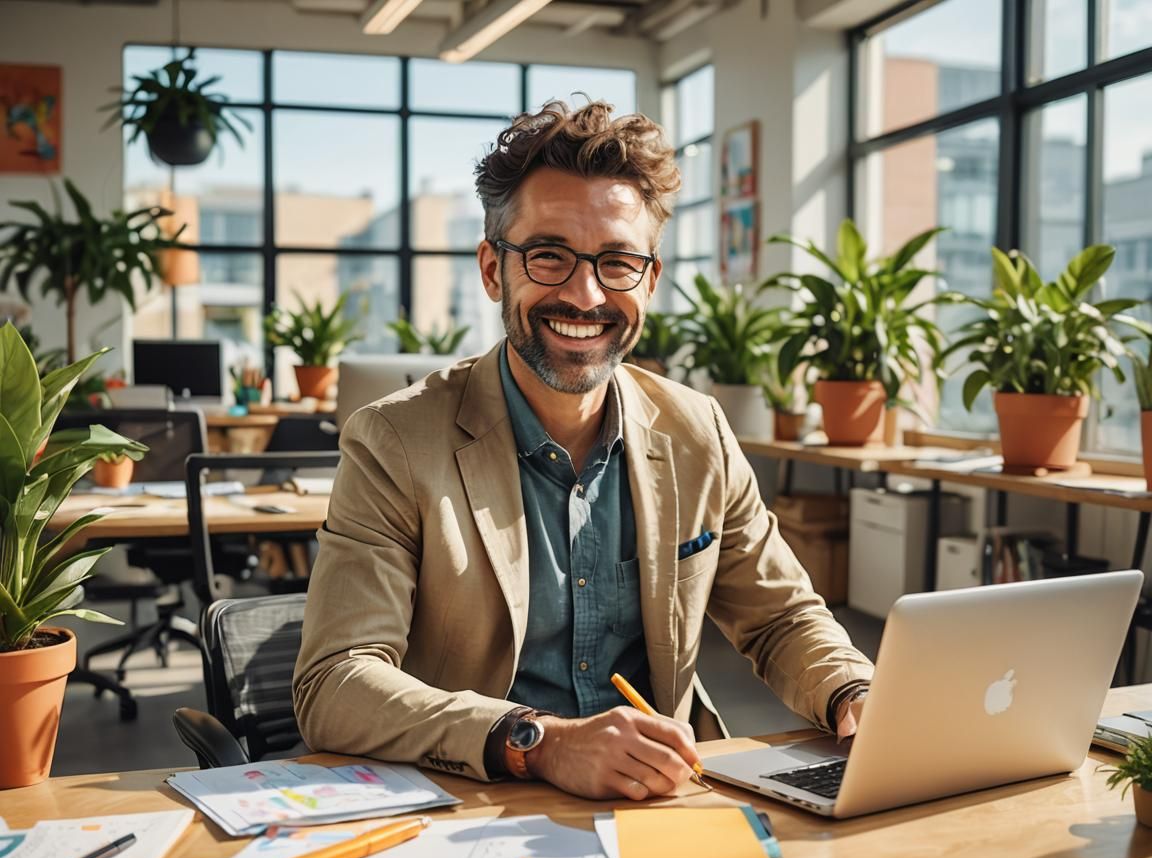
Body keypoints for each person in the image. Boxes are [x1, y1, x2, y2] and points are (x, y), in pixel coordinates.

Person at [293, 99, 874, 802]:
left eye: (617, 262)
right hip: (476, 810)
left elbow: (782, 617)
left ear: (650, 280)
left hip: (662, 801)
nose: (584, 293)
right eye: (549, 256)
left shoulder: (698, 431)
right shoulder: (395, 442)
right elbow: (337, 679)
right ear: (491, 269)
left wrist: (854, 691)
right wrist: (539, 741)